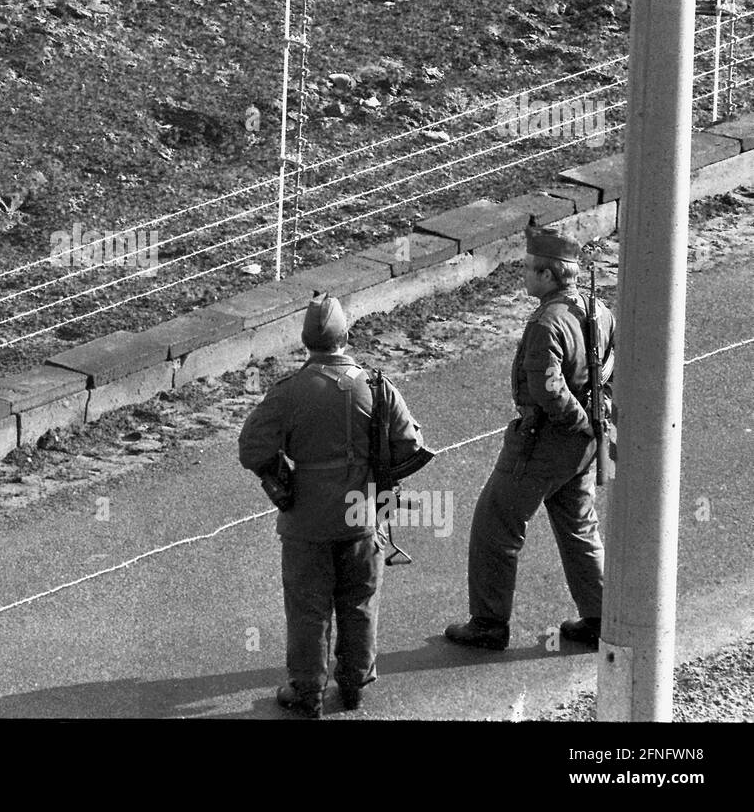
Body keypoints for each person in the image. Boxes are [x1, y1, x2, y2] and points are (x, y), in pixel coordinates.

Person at [238, 293, 431, 717]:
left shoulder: (288, 393)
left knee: (309, 608)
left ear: (306, 340)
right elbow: (411, 446)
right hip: (362, 516)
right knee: (360, 602)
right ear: (346, 336)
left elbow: (252, 448)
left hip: (306, 518)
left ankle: (307, 691)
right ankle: (355, 684)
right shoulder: (376, 386)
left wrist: (279, 472)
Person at [444, 225, 616, 651]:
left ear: (548, 275)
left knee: (496, 524)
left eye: (528, 269)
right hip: (584, 444)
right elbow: (613, 370)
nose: (523, 275)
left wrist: (578, 421)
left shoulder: (546, 322)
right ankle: (600, 617)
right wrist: (596, 420)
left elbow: (546, 388)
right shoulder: (600, 310)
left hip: (544, 442)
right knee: (578, 525)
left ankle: (488, 623)